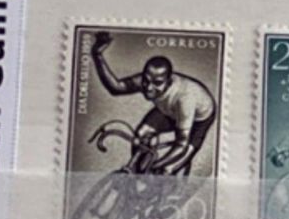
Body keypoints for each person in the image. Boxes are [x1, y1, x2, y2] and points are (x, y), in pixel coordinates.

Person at [88, 30, 216, 173]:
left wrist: (156, 166)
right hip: (170, 110)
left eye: (157, 83)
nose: (149, 88)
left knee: (166, 169)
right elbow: (115, 88)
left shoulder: (185, 98)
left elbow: (181, 145)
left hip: (198, 121)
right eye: (146, 81)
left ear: (169, 82)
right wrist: (97, 55)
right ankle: (138, 173)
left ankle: (162, 179)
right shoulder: (149, 80)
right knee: (141, 136)